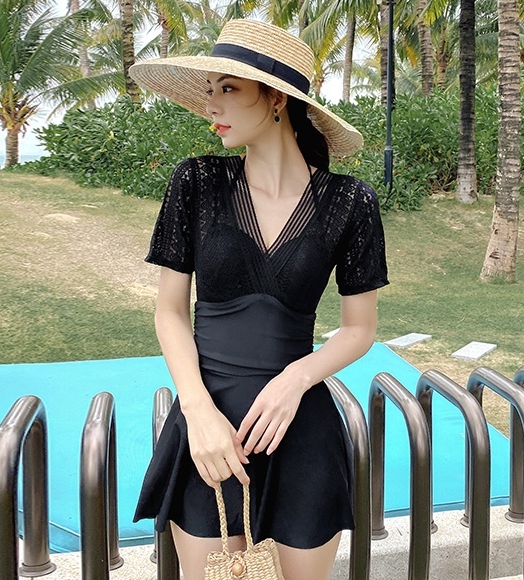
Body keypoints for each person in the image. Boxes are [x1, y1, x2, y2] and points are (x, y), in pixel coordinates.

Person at [129, 19, 389, 580]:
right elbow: (169, 311)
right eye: (211, 89)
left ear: (276, 98)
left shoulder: (350, 201)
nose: (212, 105)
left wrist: (296, 379)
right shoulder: (196, 182)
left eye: (229, 88)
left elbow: (359, 328)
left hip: (301, 432)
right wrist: (197, 410)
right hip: (210, 429)